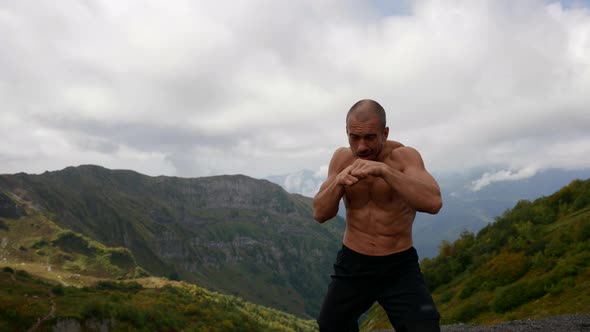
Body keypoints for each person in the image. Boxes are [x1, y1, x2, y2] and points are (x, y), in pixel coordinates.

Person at [313, 99, 443, 332]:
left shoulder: (405, 157)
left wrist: (384, 171)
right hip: (354, 263)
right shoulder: (342, 159)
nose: (361, 147)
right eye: (354, 137)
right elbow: (320, 214)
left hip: (399, 264)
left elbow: (433, 203)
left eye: (370, 137)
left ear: (385, 132)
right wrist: (339, 183)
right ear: (347, 133)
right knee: (330, 326)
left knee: (425, 327)